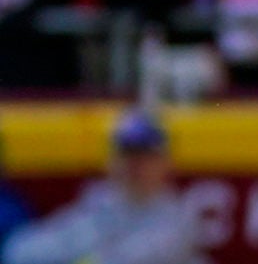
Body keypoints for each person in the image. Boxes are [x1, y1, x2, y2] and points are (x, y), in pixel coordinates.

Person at [1, 108, 202, 264]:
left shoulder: (176, 220)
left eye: (145, 157)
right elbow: (19, 251)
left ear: (165, 164)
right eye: (127, 155)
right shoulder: (99, 205)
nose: (135, 166)